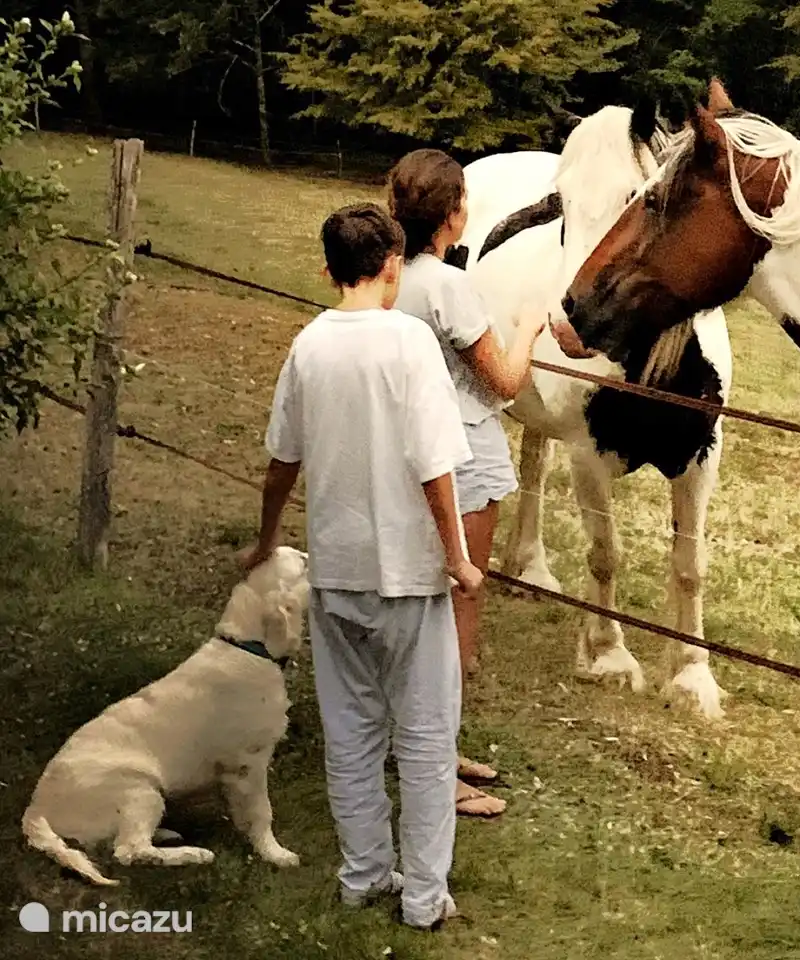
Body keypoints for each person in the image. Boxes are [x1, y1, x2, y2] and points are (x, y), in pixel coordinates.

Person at [237, 201, 483, 930]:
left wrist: (266, 540)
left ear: (328, 270)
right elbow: (434, 464)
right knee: (427, 739)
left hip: (337, 572)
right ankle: (424, 896)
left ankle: (364, 874)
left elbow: (282, 461)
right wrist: (458, 558)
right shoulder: (409, 343)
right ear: (393, 266)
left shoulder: (309, 345)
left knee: (351, 733)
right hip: (408, 575)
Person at [387, 148, 547, 818]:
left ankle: (422, 744)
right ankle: (435, 768)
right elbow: (503, 381)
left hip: (409, 449)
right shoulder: (449, 287)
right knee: (460, 606)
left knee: (420, 600)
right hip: (464, 455)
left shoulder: (389, 278)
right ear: (453, 215)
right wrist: (530, 330)